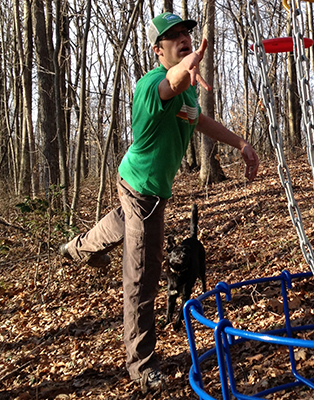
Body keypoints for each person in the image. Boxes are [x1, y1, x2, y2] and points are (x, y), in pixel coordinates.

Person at [56, 12, 259, 393]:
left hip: (134, 182)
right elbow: (171, 81)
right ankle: (142, 364)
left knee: (121, 220)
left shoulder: (185, 93)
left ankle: (79, 248)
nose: (183, 39)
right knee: (143, 274)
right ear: (158, 50)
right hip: (144, 191)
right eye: (174, 37)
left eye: (186, 33)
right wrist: (186, 67)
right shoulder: (152, 85)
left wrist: (240, 143)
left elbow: (198, 120)